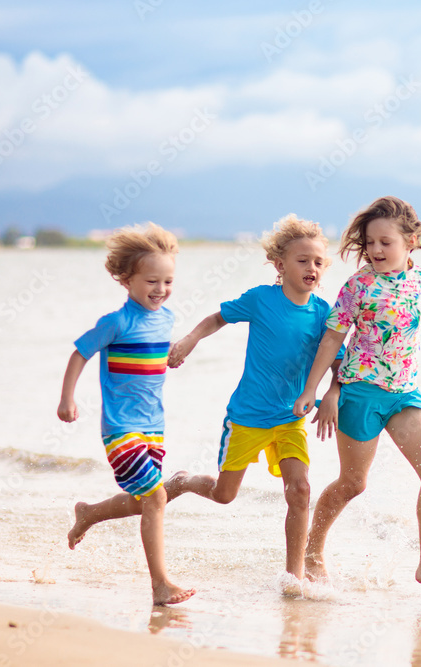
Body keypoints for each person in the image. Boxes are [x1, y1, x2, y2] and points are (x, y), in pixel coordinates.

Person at [293, 196, 421, 595]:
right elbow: (333, 336)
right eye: (370, 242)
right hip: (361, 393)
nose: (374, 250)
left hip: (405, 393)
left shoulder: (420, 279)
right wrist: (314, 390)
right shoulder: (358, 285)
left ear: (412, 241)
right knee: (353, 484)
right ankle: (313, 550)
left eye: (385, 242)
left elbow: (419, 310)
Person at [162, 214, 344, 589]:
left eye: (319, 262)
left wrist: (332, 393)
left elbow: (337, 362)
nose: (313, 268)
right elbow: (217, 318)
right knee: (224, 495)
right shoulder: (261, 300)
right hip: (247, 416)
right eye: (303, 260)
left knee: (301, 489)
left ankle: (294, 576)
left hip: (290, 417)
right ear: (280, 265)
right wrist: (190, 340)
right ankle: (183, 481)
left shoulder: (324, 312)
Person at [58, 222, 195, 606]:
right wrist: (67, 399)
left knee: (144, 500)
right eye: (152, 281)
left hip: (155, 427)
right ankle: (160, 585)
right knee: (155, 497)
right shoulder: (116, 322)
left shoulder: (166, 318)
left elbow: (152, 354)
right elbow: (79, 354)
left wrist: (171, 356)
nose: (161, 290)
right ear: (126, 279)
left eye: (168, 282)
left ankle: (89, 513)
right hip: (121, 428)